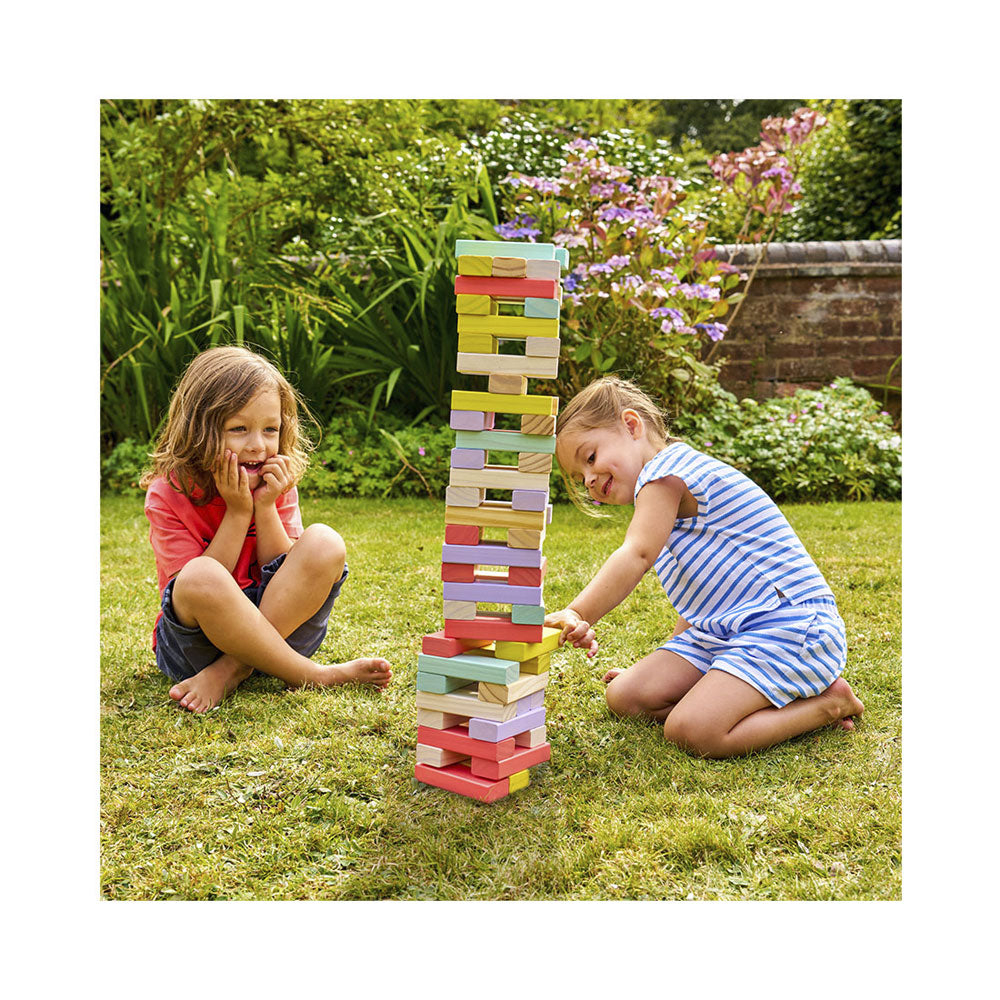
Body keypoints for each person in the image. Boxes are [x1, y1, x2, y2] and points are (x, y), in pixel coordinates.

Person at [544, 375, 863, 759]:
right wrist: (669, 662)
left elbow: (636, 555)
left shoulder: (665, 473)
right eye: (580, 477)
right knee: (625, 697)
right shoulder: (664, 486)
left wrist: (578, 612)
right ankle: (724, 697)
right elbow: (705, 595)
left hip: (790, 628)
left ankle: (829, 703)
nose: (590, 479)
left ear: (631, 425)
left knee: (692, 731)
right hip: (727, 631)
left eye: (591, 458)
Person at [141, 345, 392, 713]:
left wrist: (265, 506)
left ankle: (231, 669)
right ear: (199, 429)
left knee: (324, 542)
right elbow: (198, 592)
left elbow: (283, 571)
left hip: (281, 632)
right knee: (200, 574)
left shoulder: (275, 481)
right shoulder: (168, 493)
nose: (257, 445)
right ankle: (313, 675)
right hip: (196, 647)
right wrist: (238, 512)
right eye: (238, 429)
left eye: (270, 429)